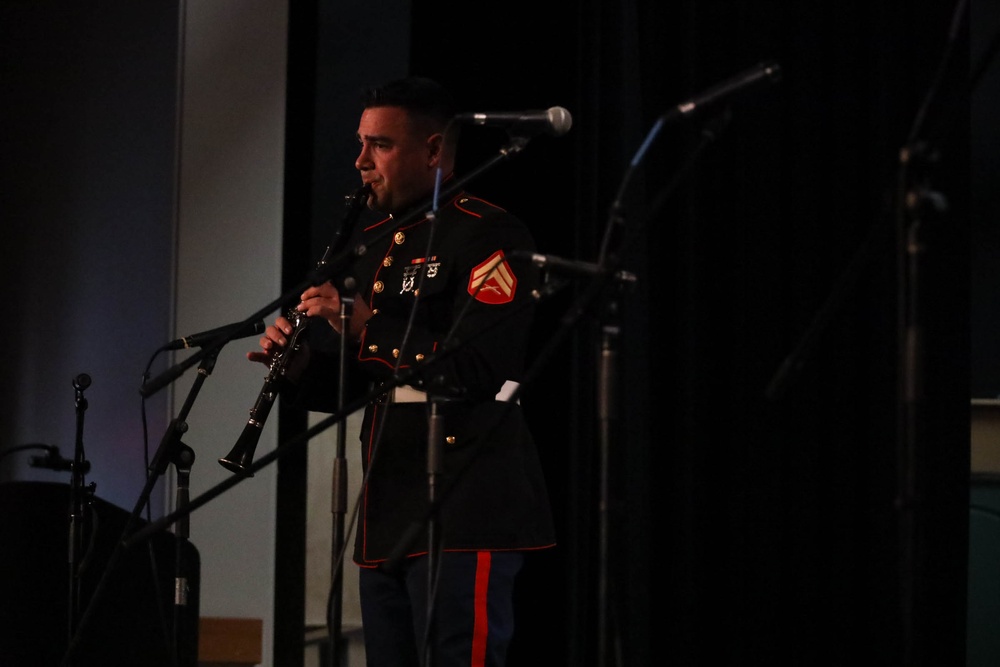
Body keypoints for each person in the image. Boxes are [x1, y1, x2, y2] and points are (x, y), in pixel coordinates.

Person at [248, 76, 557, 667]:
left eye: (380, 145)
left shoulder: (489, 232)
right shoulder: (376, 242)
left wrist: (366, 326)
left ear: (434, 151)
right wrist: (300, 365)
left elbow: (481, 368)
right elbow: (366, 382)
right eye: (361, 143)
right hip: (388, 505)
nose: (360, 161)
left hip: (465, 504)